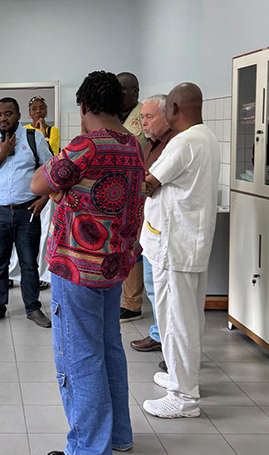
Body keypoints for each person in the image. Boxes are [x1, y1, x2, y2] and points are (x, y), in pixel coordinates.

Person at [31, 71, 146, 455]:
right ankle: (117, 434)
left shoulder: (86, 146)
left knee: (79, 355)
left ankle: (88, 454)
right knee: (108, 348)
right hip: (113, 265)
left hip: (77, 266)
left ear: (83, 106)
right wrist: (64, 190)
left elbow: (38, 182)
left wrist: (59, 190)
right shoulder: (132, 145)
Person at [140, 83, 220, 419]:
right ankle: (180, 377)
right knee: (186, 317)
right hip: (187, 244)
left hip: (175, 247)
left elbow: (148, 185)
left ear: (173, 108)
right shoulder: (206, 137)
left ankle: (184, 397)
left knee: (176, 321)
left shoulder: (184, 142)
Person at [0, 97, 53, 328]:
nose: (2, 118)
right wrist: (3, 153)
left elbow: (50, 171)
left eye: (8, 114)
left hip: (27, 210)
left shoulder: (34, 137)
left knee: (29, 262)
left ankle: (33, 308)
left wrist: (44, 198)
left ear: (18, 116)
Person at [129, 94, 178, 354]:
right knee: (153, 286)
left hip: (166, 229)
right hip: (149, 224)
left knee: (164, 289)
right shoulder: (151, 143)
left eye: (149, 117)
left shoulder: (173, 144)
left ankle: (168, 342)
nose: (144, 123)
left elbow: (149, 183)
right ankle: (159, 334)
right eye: (142, 117)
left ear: (167, 115)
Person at [9, 95, 60, 291]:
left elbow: (51, 156)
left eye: (41, 108)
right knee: (19, 233)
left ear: (46, 111)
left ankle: (42, 275)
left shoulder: (53, 131)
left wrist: (42, 132)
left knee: (45, 232)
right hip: (27, 188)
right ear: (28, 113)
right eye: (34, 109)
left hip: (46, 188)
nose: (38, 111)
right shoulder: (23, 132)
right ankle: (12, 273)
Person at [117, 72, 149, 323]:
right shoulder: (112, 116)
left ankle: (132, 303)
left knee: (134, 245)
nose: (118, 96)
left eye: (122, 91)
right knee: (121, 243)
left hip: (139, 191)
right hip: (115, 192)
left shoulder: (145, 115)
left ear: (135, 91)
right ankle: (125, 296)